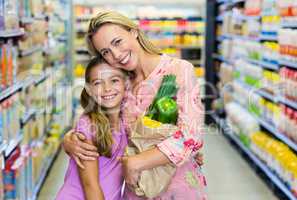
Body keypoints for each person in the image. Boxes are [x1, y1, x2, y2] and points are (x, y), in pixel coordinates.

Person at [63, 11, 207, 199]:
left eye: (117, 42)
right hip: (138, 190)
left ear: (134, 32)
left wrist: (136, 162)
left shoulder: (178, 70)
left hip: (177, 187)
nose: (116, 55)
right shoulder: (121, 82)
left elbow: (191, 136)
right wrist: (69, 139)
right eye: (105, 52)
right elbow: (99, 121)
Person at [56, 57, 128, 200]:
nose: (107, 88)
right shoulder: (88, 126)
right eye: (98, 83)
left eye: (114, 80)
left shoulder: (126, 117)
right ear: (89, 90)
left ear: (125, 84)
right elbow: (90, 185)